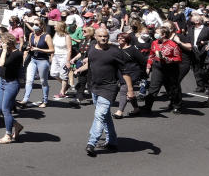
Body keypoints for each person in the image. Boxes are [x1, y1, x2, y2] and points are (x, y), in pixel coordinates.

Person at [81, 28, 132, 157]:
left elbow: (125, 72)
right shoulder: (92, 48)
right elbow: (91, 64)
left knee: (99, 115)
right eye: (101, 36)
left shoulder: (115, 51)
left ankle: (91, 143)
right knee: (105, 116)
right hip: (94, 87)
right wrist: (81, 69)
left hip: (109, 88)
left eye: (106, 36)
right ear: (96, 37)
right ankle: (113, 141)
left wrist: (130, 90)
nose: (104, 38)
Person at [141, 26, 184, 114]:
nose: (155, 34)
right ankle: (147, 106)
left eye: (157, 33)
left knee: (172, 87)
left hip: (171, 68)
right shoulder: (154, 42)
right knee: (153, 86)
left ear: (164, 35)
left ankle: (176, 105)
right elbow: (151, 55)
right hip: (157, 66)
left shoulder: (173, 45)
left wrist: (170, 60)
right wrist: (148, 66)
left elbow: (178, 58)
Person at [0, 32, 25, 144]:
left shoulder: (17, 54)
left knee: (6, 109)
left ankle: (8, 135)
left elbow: (2, 63)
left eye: (2, 42)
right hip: (2, 82)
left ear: (8, 43)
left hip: (11, 84)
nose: (0, 43)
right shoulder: (4, 51)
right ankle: (16, 125)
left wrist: (4, 50)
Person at [19, 18, 54, 107]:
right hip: (33, 60)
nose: (35, 26)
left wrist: (39, 49)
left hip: (43, 61)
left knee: (43, 81)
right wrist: (28, 48)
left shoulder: (46, 36)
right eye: (34, 24)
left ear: (42, 26)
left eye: (37, 25)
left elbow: (52, 50)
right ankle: (25, 99)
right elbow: (30, 46)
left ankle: (45, 100)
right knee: (29, 80)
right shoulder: (32, 35)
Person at [113, 33, 148, 118]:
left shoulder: (133, 49)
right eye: (118, 38)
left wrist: (142, 72)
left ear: (127, 39)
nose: (119, 39)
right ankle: (136, 109)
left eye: (122, 38)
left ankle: (120, 111)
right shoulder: (116, 49)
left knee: (124, 89)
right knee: (129, 91)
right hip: (121, 73)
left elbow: (143, 61)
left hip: (133, 72)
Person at [51, 22, 73, 99]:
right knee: (53, 73)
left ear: (60, 27)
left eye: (55, 25)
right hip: (56, 55)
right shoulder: (56, 34)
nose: (54, 26)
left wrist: (68, 60)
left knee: (63, 75)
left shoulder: (67, 36)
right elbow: (53, 46)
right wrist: (52, 55)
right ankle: (67, 85)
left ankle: (62, 92)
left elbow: (69, 49)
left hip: (64, 56)